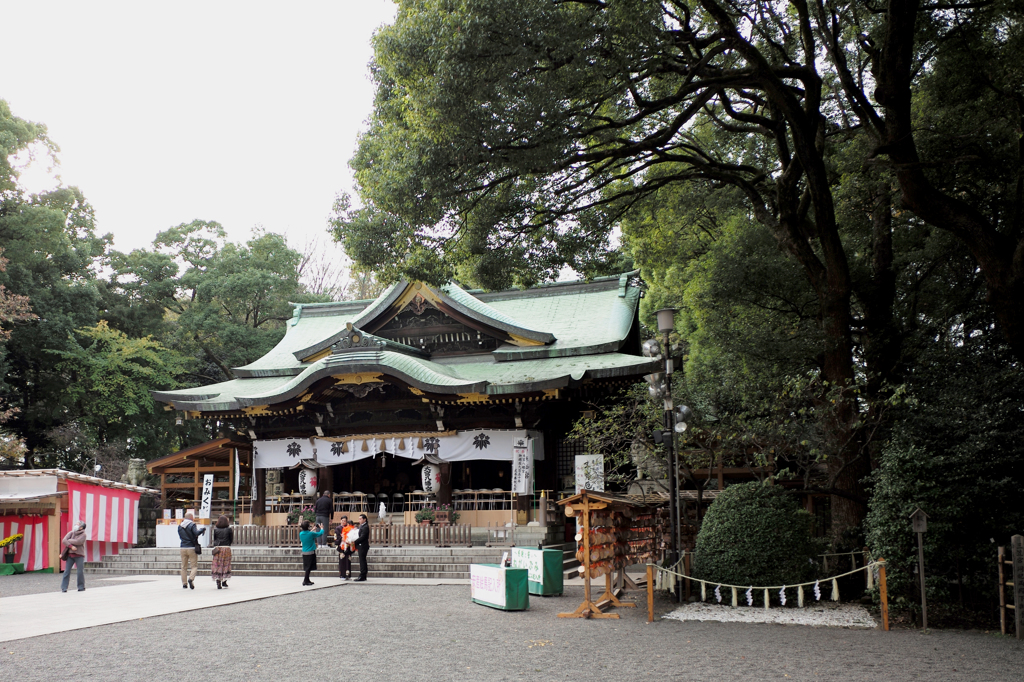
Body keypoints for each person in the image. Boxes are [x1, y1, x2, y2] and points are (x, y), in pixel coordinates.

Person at [178, 513, 206, 590]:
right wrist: (202, 529)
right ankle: (191, 579)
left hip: (183, 547)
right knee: (194, 566)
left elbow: (180, 536)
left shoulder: (180, 526)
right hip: (191, 547)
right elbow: (196, 533)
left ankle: (184, 584)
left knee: (183, 566)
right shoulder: (192, 525)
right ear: (191, 517)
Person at [60, 520, 87, 592]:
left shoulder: (83, 535)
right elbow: (64, 540)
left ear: (81, 527)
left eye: (77, 524)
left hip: (79, 555)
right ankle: (64, 587)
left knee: (80, 571)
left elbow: (78, 542)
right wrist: (71, 546)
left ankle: (81, 587)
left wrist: (69, 540)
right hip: (70, 555)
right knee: (67, 571)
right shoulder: (71, 533)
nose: (75, 525)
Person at [211, 514, 233, 589]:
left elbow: (215, 539)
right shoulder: (229, 529)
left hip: (218, 548)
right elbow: (231, 539)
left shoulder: (216, 529)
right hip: (226, 548)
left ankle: (218, 580)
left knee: (218, 564)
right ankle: (224, 580)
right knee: (226, 564)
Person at [299, 519, 323, 586]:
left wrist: (313, 529)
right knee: (308, 568)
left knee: (307, 567)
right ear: (308, 527)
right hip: (311, 552)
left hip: (304, 552)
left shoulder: (301, 534)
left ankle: (307, 580)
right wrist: (322, 528)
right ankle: (305, 580)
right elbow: (320, 533)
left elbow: (308, 534)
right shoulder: (311, 534)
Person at [335, 515, 355, 580]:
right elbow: (336, 537)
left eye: (345, 521)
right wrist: (342, 538)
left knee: (348, 560)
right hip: (341, 546)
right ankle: (342, 575)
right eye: (342, 520)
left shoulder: (348, 528)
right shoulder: (338, 528)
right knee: (342, 560)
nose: (343, 522)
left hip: (348, 545)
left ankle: (348, 575)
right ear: (340, 521)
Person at [353, 513, 369, 581]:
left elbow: (363, 537)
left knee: (362, 561)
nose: (359, 520)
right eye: (359, 519)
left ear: (364, 519)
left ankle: (363, 575)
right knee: (362, 560)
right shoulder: (362, 526)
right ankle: (363, 574)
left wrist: (355, 542)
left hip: (363, 545)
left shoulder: (365, 527)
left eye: (360, 519)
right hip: (361, 545)